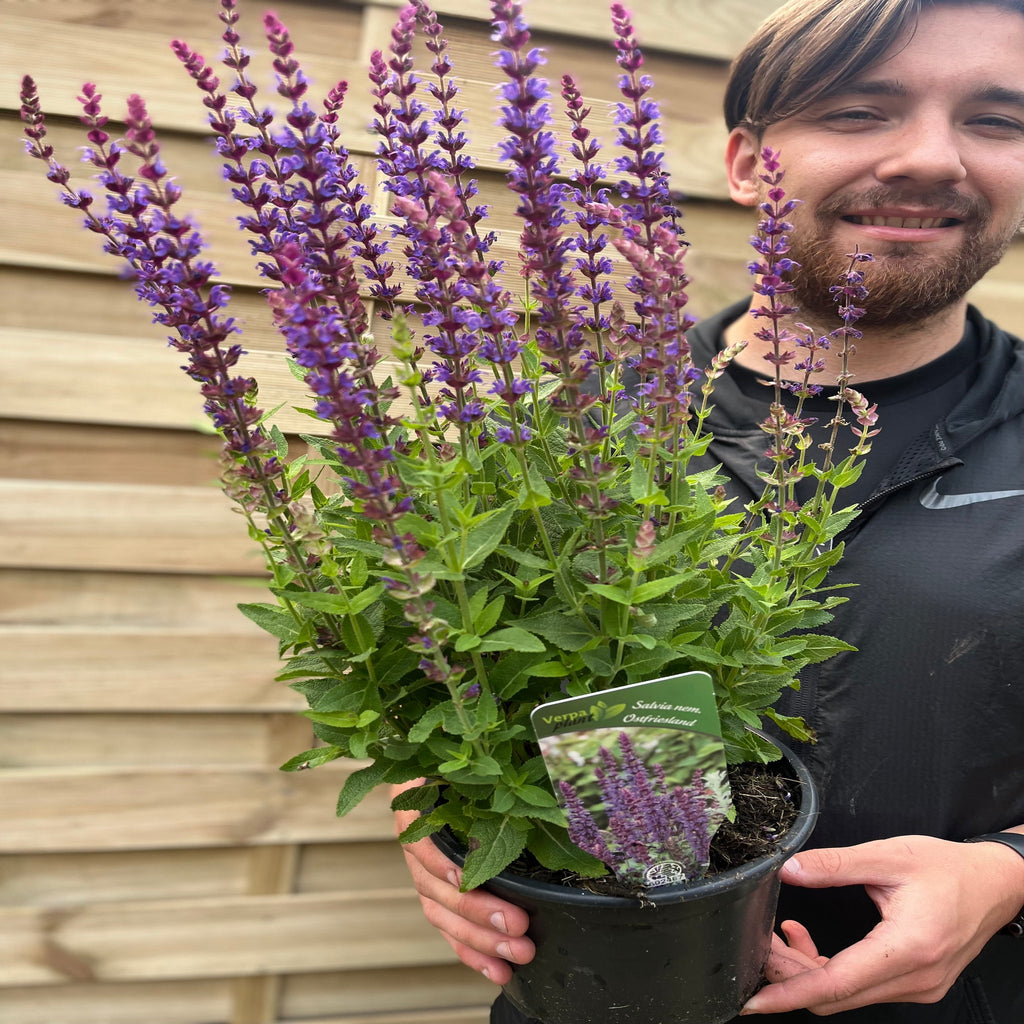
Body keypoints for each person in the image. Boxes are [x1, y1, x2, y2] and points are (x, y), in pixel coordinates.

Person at [394, 1, 1024, 1020]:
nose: (927, 156)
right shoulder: (556, 437)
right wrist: (433, 813)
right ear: (744, 163)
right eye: (863, 110)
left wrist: (1006, 876)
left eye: (997, 119)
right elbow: (434, 669)